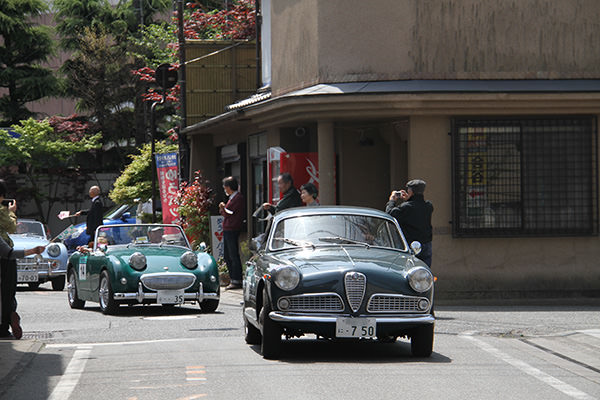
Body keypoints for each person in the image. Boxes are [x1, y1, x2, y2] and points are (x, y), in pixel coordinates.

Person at [0, 236, 45, 339]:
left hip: (5, 270)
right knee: (7, 298)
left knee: (5, 299)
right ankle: (8, 320)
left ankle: (6, 322)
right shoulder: (4, 236)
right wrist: (33, 251)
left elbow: (8, 253)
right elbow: (9, 253)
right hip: (7, 270)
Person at [386, 179, 434, 267]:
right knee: (424, 270)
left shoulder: (406, 207)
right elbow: (415, 208)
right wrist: (408, 200)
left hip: (410, 245)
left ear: (410, 191)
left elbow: (390, 213)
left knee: (409, 270)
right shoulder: (428, 206)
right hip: (426, 244)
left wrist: (392, 200)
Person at [219, 177, 245, 290]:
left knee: (232, 255)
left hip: (232, 228)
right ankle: (233, 279)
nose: (224, 189)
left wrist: (223, 208)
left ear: (229, 187)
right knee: (228, 255)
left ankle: (236, 280)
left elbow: (229, 213)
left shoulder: (238, 198)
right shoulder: (232, 198)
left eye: (225, 187)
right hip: (228, 228)